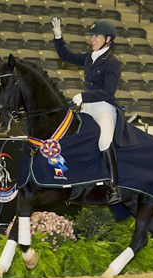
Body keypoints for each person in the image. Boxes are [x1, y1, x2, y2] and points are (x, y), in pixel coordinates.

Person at [52, 17, 122, 205]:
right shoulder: (89, 57)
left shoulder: (112, 62)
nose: (92, 39)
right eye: (91, 36)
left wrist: (83, 96)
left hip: (104, 108)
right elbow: (65, 56)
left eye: (96, 36)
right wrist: (58, 36)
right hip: (87, 107)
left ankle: (113, 186)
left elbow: (109, 91)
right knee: (73, 137)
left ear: (108, 39)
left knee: (104, 140)